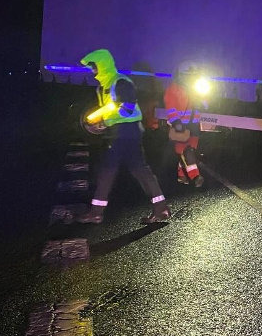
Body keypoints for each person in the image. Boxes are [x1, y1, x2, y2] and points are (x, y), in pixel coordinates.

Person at [75, 49, 171, 224]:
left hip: (127, 131)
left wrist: (104, 121)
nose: (92, 70)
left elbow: (127, 107)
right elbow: (111, 108)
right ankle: (161, 209)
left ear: (102, 65)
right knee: (138, 170)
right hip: (123, 131)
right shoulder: (105, 85)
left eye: (93, 66)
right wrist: (97, 119)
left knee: (109, 170)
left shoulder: (119, 81)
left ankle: (96, 213)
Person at [164, 61, 205, 187]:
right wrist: (176, 123)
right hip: (181, 126)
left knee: (190, 151)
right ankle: (195, 176)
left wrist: (202, 98)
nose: (192, 77)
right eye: (189, 74)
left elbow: (205, 105)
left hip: (194, 126)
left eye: (194, 74)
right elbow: (170, 108)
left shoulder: (195, 89)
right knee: (187, 151)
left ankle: (182, 176)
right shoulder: (173, 89)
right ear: (182, 75)